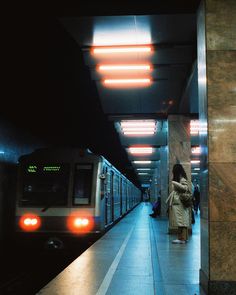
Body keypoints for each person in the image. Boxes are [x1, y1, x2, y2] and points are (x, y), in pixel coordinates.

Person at [166, 164, 191, 244]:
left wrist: (174, 183)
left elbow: (185, 188)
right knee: (181, 220)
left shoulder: (182, 179)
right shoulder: (180, 178)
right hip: (178, 203)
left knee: (181, 220)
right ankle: (182, 238)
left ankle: (182, 239)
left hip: (180, 203)